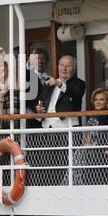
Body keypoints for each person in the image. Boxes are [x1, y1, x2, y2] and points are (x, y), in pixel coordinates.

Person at [36, 55, 85, 185]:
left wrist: (59, 83)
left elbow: (75, 93)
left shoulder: (78, 83)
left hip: (66, 131)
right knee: (47, 164)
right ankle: (49, 188)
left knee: (64, 165)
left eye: (67, 66)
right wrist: (40, 109)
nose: (64, 68)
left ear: (73, 68)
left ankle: (61, 190)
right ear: (57, 67)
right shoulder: (48, 84)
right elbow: (41, 102)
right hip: (47, 129)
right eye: (61, 65)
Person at [26, 47, 49, 128]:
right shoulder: (27, 76)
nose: (40, 61)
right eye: (37, 58)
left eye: (43, 58)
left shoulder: (50, 79)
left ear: (46, 61)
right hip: (31, 121)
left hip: (48, 121)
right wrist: (35, 107)